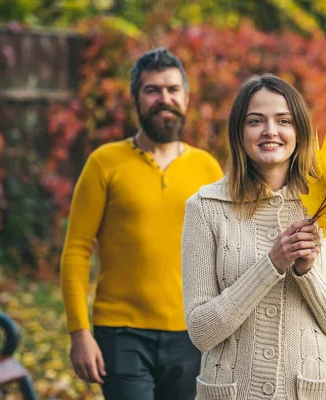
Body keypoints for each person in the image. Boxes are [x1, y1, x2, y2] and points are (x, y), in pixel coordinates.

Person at [181, 73, 326, 399]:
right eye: (256, 121)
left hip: (313, 391)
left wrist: (308, 274)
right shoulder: (205, 208)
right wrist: (271, 264)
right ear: (239, 132)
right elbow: (201, 331)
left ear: (300, 131)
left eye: (284, 120)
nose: (270, 131)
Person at [60, 48, 224, 400]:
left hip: (194, 333)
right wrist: (79, 332)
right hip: (121, 334)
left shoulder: (208, 169)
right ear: (135, 99)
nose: (164, 99)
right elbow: (76, 251)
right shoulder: (104, 163)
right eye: (152, 90)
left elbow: (227, 252)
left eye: (172, 89)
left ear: (186, 98)